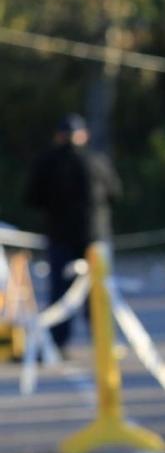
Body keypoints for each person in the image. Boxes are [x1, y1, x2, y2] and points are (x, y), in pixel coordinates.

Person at [22, 115, 119, 357]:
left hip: (61, 236)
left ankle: (58, 344)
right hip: (95, 238)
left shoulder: (47, 162)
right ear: (83, 135)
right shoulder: (97, 160)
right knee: (98, 292)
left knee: (60, 292)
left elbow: (31, 198)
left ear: (59, 136)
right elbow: (115, 193)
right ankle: (103, 342)